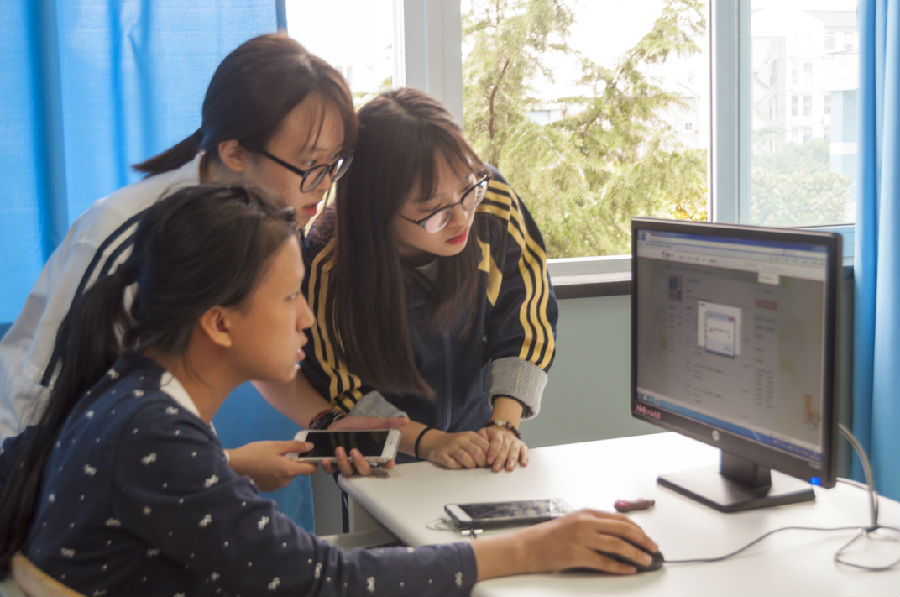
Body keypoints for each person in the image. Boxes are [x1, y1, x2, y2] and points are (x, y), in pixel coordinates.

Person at [0, 185, 658, 596]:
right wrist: (533, 546)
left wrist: (227, 466)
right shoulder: (158, 434)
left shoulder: (127, 392)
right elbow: (324, 581)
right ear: (219, 322)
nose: (308, 318)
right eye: (290, 297)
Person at [0, 32, 401, 488]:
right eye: (310, 165)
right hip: (42, 479)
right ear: (234, 152)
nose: (324, 185)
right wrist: (220, 463)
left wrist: (325, 422)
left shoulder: (264, 220)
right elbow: (42, 408)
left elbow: (257, 340)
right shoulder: (128, 233)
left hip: (144, 462)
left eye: (334, 165)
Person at [300, 88, 557, 472]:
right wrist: (429, 442)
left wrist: (503, 426)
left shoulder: (492, 200)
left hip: (478, 440)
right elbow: (338, 383)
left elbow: (527, 316)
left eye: (468, 190)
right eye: (434, 211)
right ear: (377, 212)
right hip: (384, 456)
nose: (462, 218)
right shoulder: (328, 258)